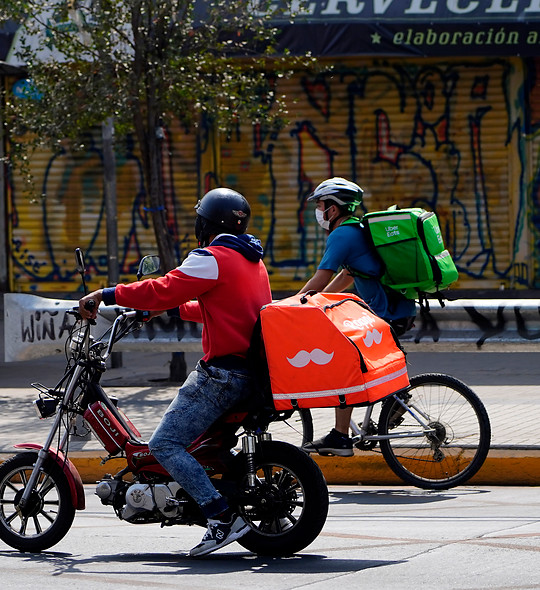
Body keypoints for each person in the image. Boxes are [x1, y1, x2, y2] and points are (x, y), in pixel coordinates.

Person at [79, 187, 272, 557]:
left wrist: (106, 294)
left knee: (164, 445)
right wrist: (175, 308)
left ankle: (220, 517)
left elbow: (162, 287)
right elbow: (224, 308)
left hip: (222, 375)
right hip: (250, 371)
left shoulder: (212, 257)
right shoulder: (251, 259)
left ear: (207, 223)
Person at [298, 177, 417, 457]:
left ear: (334, 208)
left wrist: (294, 303)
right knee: (354, 361)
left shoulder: (342, 234)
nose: (319, 211)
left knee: (344, 363)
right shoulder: (358, 229)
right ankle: (394, 397)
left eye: (321, 204)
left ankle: (341, 436)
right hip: (397, 311)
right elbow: (348, 274)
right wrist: (318, 300)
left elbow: (321, 275)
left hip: (386, 313)